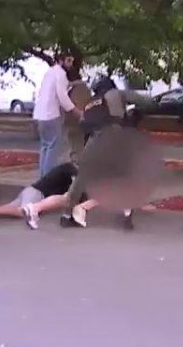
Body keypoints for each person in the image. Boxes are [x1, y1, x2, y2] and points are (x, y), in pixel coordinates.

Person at [59, 75, 154, 230]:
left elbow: (83, 123)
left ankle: (66, 215)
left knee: (81, 178)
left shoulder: (90, 103)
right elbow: (147, 102)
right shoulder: (116, 93)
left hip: (94, 140)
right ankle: (127, 216)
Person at [0, 161, 98, 229]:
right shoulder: (72, 169)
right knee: (22, 212)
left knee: (9, 208)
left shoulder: (68, 167)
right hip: (38, 193)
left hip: (31, 190)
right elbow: (76, 188)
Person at [33, 53, 80, 176]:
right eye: (68, 61)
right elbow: (62, 97)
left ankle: (42, 178)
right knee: (53, 149)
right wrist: (76, 111)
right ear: (60, 61)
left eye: (72, 61)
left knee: (45, 147)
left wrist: (71, 85)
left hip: (40, 115)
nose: (70, 64)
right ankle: (48, 178)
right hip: (51, 115)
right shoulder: (61, 74)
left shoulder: (50, 72)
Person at [64, 65, 91, 163]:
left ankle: (76, 165)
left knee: (76, 147)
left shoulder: (77, 89)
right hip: (79, 121)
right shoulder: (83, 88)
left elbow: (78, 105)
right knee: (78, 146)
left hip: (76, 122)